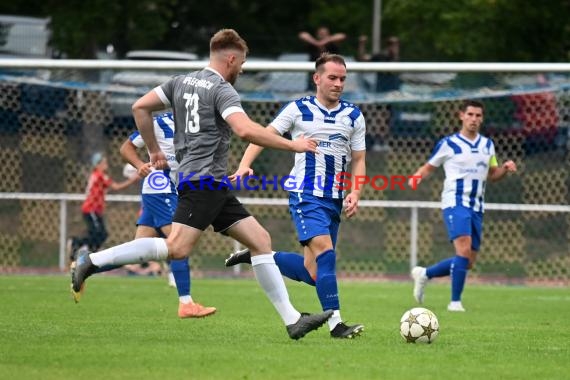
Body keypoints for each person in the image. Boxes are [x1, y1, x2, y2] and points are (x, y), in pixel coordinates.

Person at [71, 28, 332, 339]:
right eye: (242, 63)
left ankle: (293, 321)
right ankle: (93, 260)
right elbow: (245, 130)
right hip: (203, 181)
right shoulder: (221, 89)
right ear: (231, 58)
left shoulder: (180, 82)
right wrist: (294, 146)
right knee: (176, 248)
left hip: (209, 182)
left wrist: (153, 149)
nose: (242, 69)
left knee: (260, 240)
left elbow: (139, 107)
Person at [224, 53, 366, 339]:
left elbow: (360, 159)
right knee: (326, 254)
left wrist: (355, 192)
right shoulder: (298, 109)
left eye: (342, 79)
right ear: (317, 78)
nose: (338, 84)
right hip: (305, 195)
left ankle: (258, 256)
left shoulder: (353, 115)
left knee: (312, 273)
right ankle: (336, 325)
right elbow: (264, 134)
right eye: (332, 78)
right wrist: (244, 164)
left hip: (335, 200)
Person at [71, 113, 198, 319]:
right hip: (160, 187)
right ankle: (187, 302)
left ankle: (87, 266)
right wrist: (140, 165)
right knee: (178, 243)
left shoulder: (194, 120)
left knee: (138, 249)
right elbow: (125, 148)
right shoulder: (160, 121)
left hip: (165, 189)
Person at [408, 99, 517, 312]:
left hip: (477, 206)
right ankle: (455, 302)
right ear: (461, 116)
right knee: (463, 249)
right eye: (470, 114)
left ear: (482, 119)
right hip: (455, 203)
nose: (474, 119)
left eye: (478, 115)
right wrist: (416, 177)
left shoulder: (487, 145)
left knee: (467, 261)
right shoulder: (449, 143)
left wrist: (504, 168)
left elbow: (493, 174)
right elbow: (429, 166)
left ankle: (425, 273)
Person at [68, 152, 139, 257]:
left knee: (102, 234)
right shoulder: (100, 175)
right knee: (98, 234)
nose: (106, 164)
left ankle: (89, 254)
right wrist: (133, 179)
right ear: (98, 164)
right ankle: (77, 243)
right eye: (104, 162)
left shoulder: (97, 176)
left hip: (94, 209)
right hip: (91, 209)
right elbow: (116, 187)